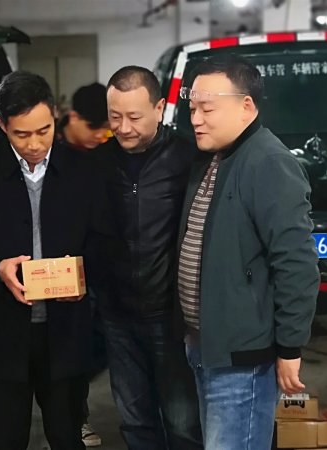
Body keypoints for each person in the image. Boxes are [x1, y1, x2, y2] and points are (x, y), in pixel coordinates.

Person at [0, 71, 112, 450]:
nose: (35, 144)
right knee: (6, 439)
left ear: (55, 116)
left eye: (44, 130)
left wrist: (83, 274)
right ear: (2, 125)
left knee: (67, 437)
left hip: (66, 332)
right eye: (22, 134)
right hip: (3, 334)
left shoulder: (84, 171)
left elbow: (105, 238)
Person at [176, 54, 319, 449]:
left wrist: (290, 345)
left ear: (246, 106)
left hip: (244, 357)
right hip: (208, 346)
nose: (196, 119)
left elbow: (296, 262)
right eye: (192, 108)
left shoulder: (268, 162)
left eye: (207, 109)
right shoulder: (214, 157)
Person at [93, 66, 202, 450]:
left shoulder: (188, 158)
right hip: (117, 316)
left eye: (134, 117)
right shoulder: (98, 163)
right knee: (135, 421)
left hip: (171, 317)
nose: (123, 128)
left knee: (182, 421)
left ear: (159, 109)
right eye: (114, 116)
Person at [57, 81, 110, 448]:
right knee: (66, 352)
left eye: (105, 128)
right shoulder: (50, 153)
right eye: (93, 127)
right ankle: (72, 422)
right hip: (58, 271)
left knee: (92, 349)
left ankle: (74, 416)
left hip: (97, 268)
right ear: (72, 117)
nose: (100, 135)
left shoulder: (103, 154)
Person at [57, 82, 110, 152]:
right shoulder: (51, 147)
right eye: (93, 126)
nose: (99, 135)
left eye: (106, 127)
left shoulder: (108, 149)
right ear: (74, 117)